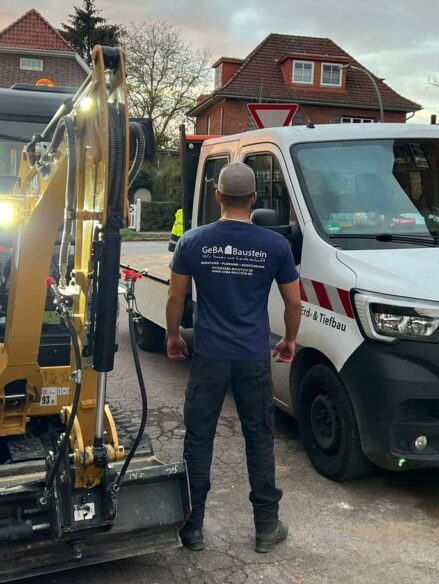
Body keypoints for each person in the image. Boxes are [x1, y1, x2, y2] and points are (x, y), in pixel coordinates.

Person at [165, 162, 302, 554]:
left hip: (209, 356)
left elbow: (176, 297)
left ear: (218, 196)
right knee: (259, 438)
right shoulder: (275, 246)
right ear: (255, 199)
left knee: (199, 438)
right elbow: (294, 303)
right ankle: (266, 527)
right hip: (252, 358)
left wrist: (174, 336)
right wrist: (289, 340)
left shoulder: (193, 241)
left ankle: (192, 528)